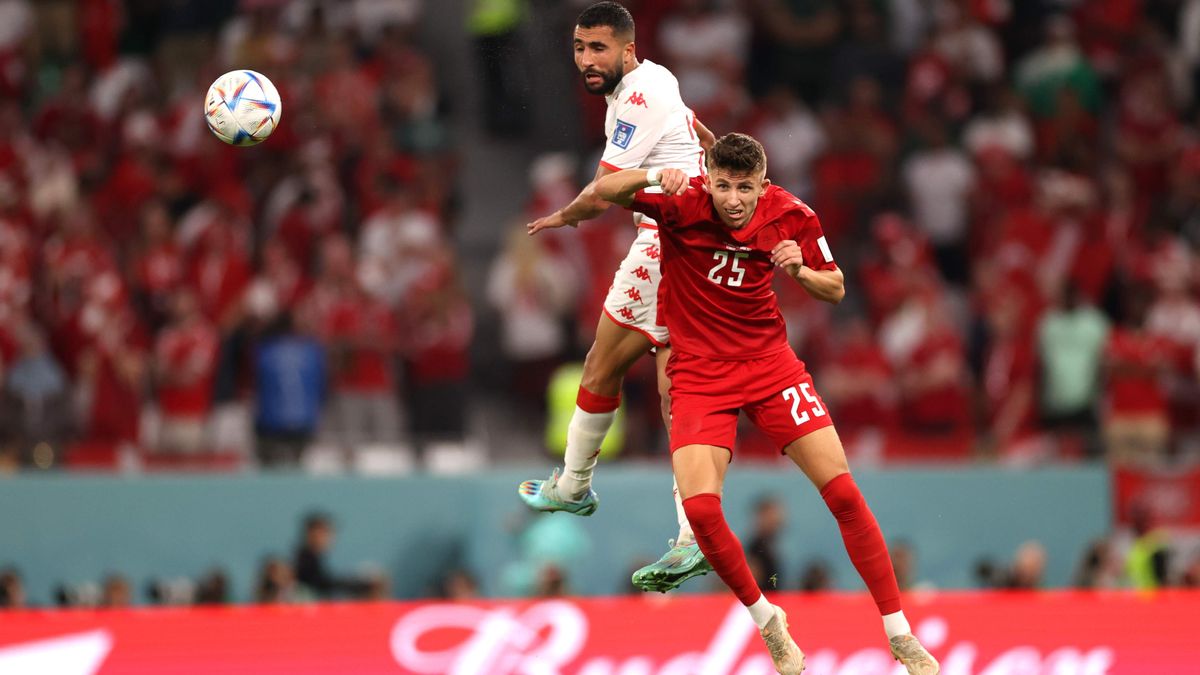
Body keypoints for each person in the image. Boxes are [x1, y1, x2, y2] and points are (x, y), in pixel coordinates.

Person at [586, 133, 939, 674]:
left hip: (771, 367)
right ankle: (767, 619)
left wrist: (800, 270)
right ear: (709, 176)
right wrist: (655, 177)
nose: (731, 198)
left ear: (762, 186)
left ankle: (899, 632)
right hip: (701, 373)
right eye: (723, 184)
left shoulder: (793, 215)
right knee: (702, 510)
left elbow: (837, 288)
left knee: (843, 492)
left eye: (744, 188)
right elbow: (605, 188)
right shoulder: (682, 200)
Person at [517, 1, 718, 593]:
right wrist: (712, 152)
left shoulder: (636, 96)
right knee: (676, 394)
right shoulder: (657, 80)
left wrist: (565, 216)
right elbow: (693, 125)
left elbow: (605, 188)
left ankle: (574, 485)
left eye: (598, 48)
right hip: (702, 251)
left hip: (667, 245)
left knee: (602, 365)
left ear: (627, 49)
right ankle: (691, 537)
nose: (586, 59)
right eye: (580, 48)